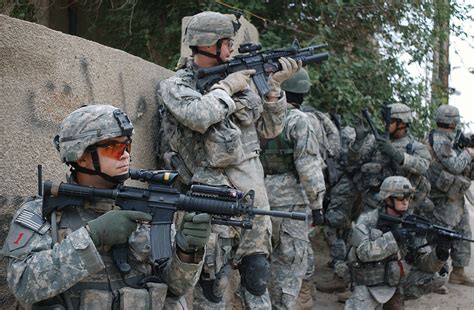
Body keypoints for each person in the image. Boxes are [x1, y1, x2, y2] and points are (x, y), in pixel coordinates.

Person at [2, 104, 211, 309]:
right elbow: (23, 285)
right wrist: (92, 236)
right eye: (114, 147)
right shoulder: (42, 213)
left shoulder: (146, 208)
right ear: (81, 156)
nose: (126, 155)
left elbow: (177, 287)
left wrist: (187, 251)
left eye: (127, 145)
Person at [158, 11, 300, 309]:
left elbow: (269, 130)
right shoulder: (177, 86)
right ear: (208, 44)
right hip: (210, 204)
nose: (232, 48)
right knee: (213, 287)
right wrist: (227, 88)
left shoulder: (240, 81)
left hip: (253, 205)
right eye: (227, 42)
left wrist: (273, 89)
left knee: (256, 280)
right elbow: (199, 116)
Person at [260, 68, 326, 309]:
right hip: (291, 206)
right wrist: (317, 205)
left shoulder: (261, 114)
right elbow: (307, 165)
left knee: (257, 264)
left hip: (260, 199)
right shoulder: (299, 120)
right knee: (289, 267)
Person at [345, 176, 449, 310]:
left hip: (396, 282)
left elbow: (423, 262)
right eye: (401, 198)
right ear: (387, 199)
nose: (406, 202)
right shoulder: (368, 221)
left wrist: (439, 255)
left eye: (408, 198)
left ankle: (396, 298)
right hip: (369, 283)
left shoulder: (410, 223)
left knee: (436, 276)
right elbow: (363, 252)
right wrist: (393, 237)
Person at [353, 103, 432, 215]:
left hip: (401, 209)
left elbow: (423, 166)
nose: (386, 124)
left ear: (402, 123)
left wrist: (397, 155)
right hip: (372, 206)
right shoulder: (375, 142)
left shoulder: (415, 146)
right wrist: (358, 143)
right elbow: (352, 164)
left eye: (390, 121)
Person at [427, 104, 474, 286]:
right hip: (441, 198)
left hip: (455, 197)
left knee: (463, 231)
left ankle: (459, 271)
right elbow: (454, 165)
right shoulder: (439, 140)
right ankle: (436, 277)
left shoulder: (451, 140)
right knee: (442, 235)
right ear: (453, 122)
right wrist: (468, 154)